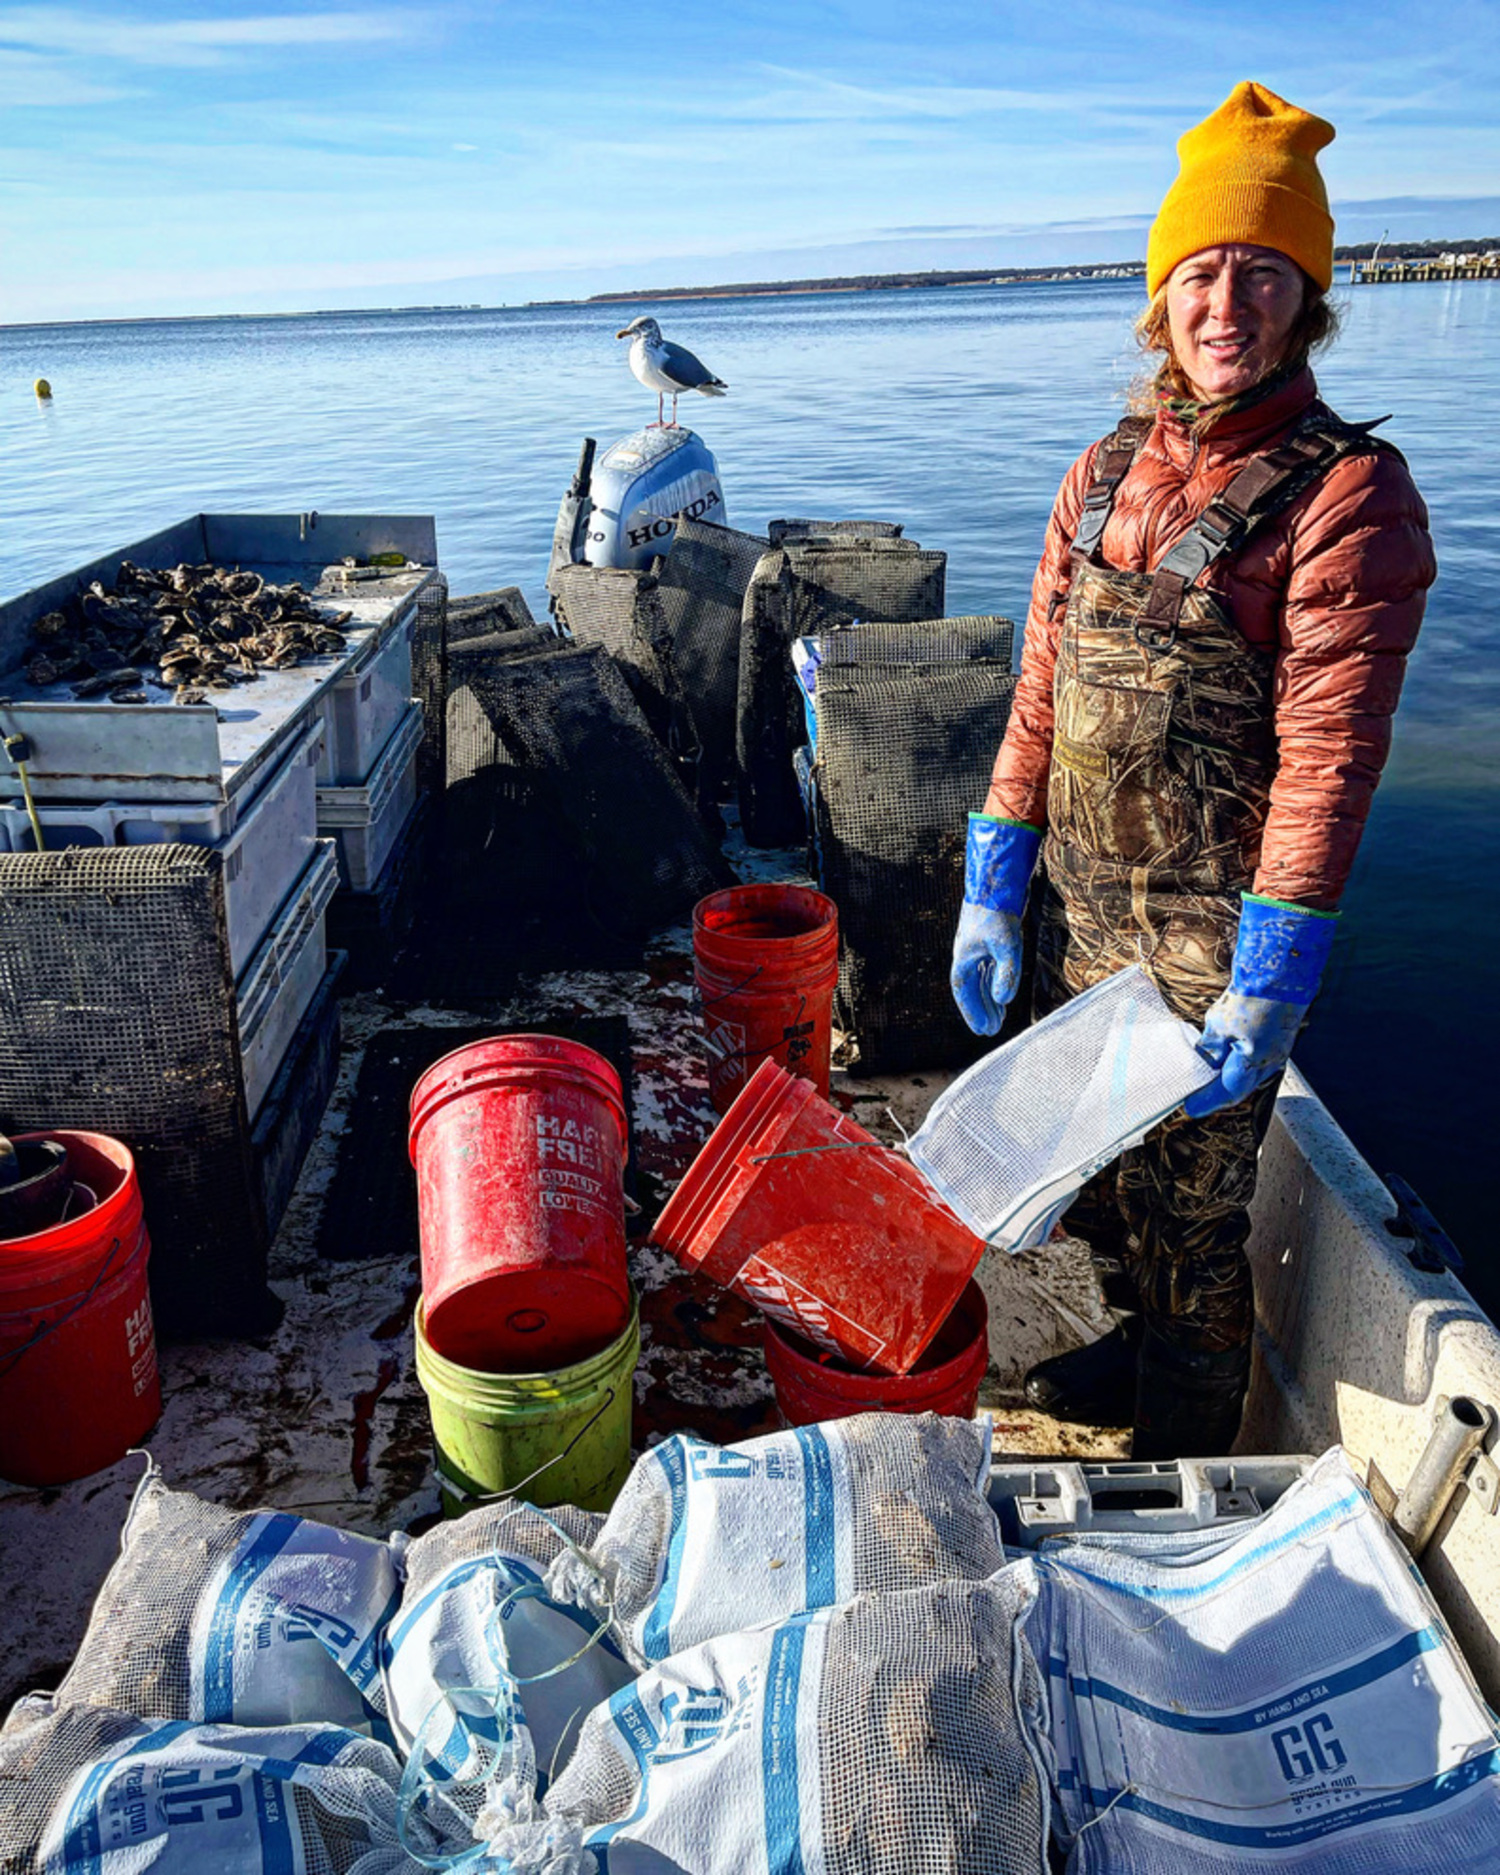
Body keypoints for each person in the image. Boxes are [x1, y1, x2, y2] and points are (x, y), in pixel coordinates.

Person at [950, 81, 1437, 1459]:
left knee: (1198, 1218)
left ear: (1310, 302)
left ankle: (1188, 1452)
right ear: (1160, 298)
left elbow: (1330, 763)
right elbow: (1040, 686)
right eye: (1202, 273)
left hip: (1212, 937)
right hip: (1081, 910)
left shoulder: (1349, 495)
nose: (1229, 305)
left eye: (1265, 275)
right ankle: (1125, 1348)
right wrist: (995, 877)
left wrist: (1272, 983)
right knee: (1101, 1189)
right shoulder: (1099, 471)